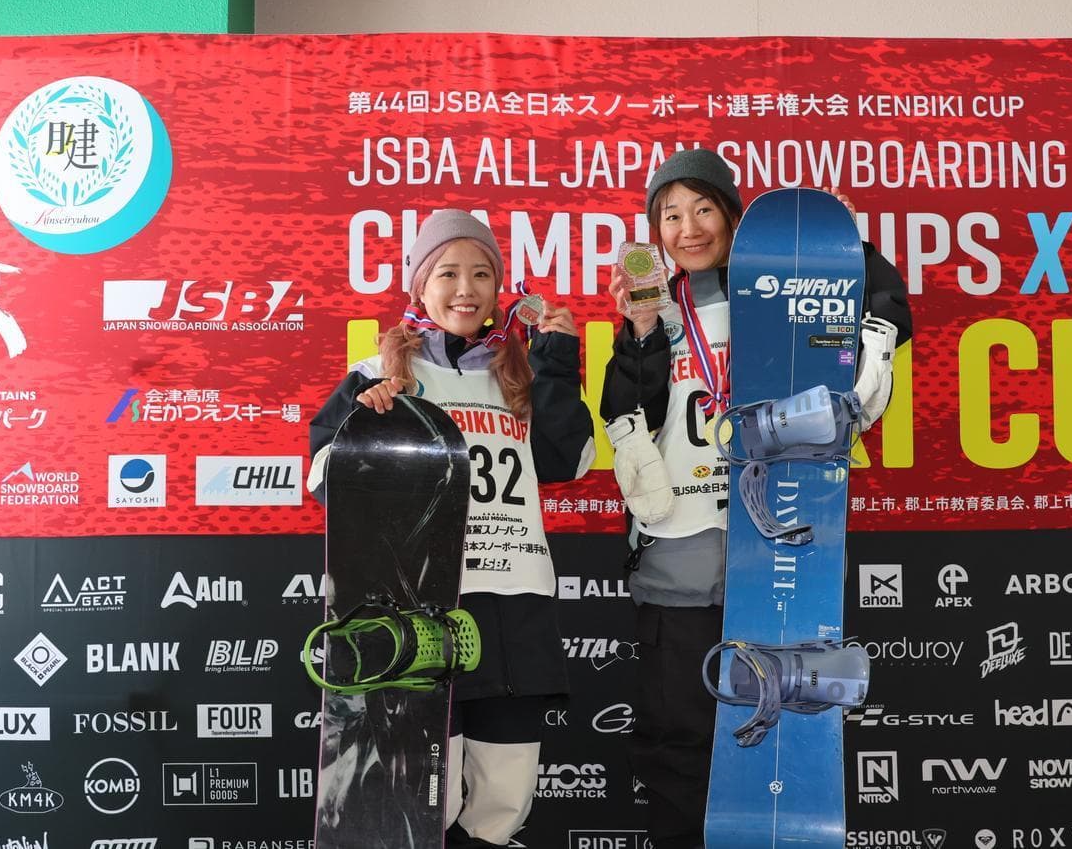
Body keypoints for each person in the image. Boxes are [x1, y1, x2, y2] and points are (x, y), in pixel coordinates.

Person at [599, 148, 912, 849]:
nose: (688, 228)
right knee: (678, 742)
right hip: (681, 567)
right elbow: (627, 415)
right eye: (670, 215)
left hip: (780, 562)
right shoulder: (657, 312)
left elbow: (873, 344)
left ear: (735, 218)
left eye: (703, 209)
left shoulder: (785, 291)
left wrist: (841, 256)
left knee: (782, 734)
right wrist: (640, 335)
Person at [309, 209, 596, 848]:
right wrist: (367, 430)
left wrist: (555, 364)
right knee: (424, 798)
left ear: (499, 288)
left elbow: (571, 461)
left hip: (515, 605)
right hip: (427, 609)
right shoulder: (377, 375)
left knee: (505, 798)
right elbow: (324, 478)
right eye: (447, 273)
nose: (466, 289)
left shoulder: (518, 372)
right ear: (420, 285)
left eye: (481, 274)